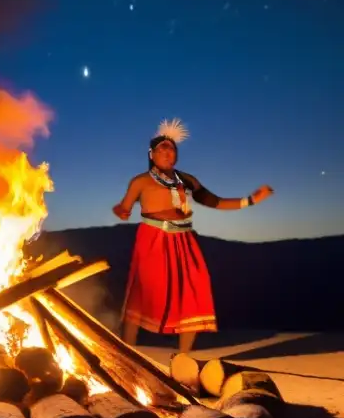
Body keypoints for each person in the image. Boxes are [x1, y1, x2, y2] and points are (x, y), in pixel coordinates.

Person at [112, 119, 274, 355]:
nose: (168, 152)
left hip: (184, 240)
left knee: (194, 288)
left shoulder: (187, 180)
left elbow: (215, 201)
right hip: (153, 239)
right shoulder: (141, 182)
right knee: (144, 291)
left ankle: (183, 357)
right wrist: (122, 211)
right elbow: (125, 206)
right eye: (162, 148)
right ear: (152, 154)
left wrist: (250, 200)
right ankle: (126, 351)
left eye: (172, 148)